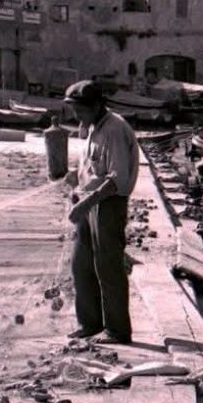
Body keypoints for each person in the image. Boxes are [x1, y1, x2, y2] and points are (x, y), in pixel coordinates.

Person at [64, 80, 140, 344]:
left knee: (108, 268)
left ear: (97, 106)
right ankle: (90, 323)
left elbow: (117, 179)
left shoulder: (114, 129)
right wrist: (75, 177)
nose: (77, 115)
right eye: (74, 110)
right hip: (89, 201)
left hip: (109, 204)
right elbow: (94, 167)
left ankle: (117, 330)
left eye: (80, 110)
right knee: (81, 265)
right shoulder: (92, 128)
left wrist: (86, 203)